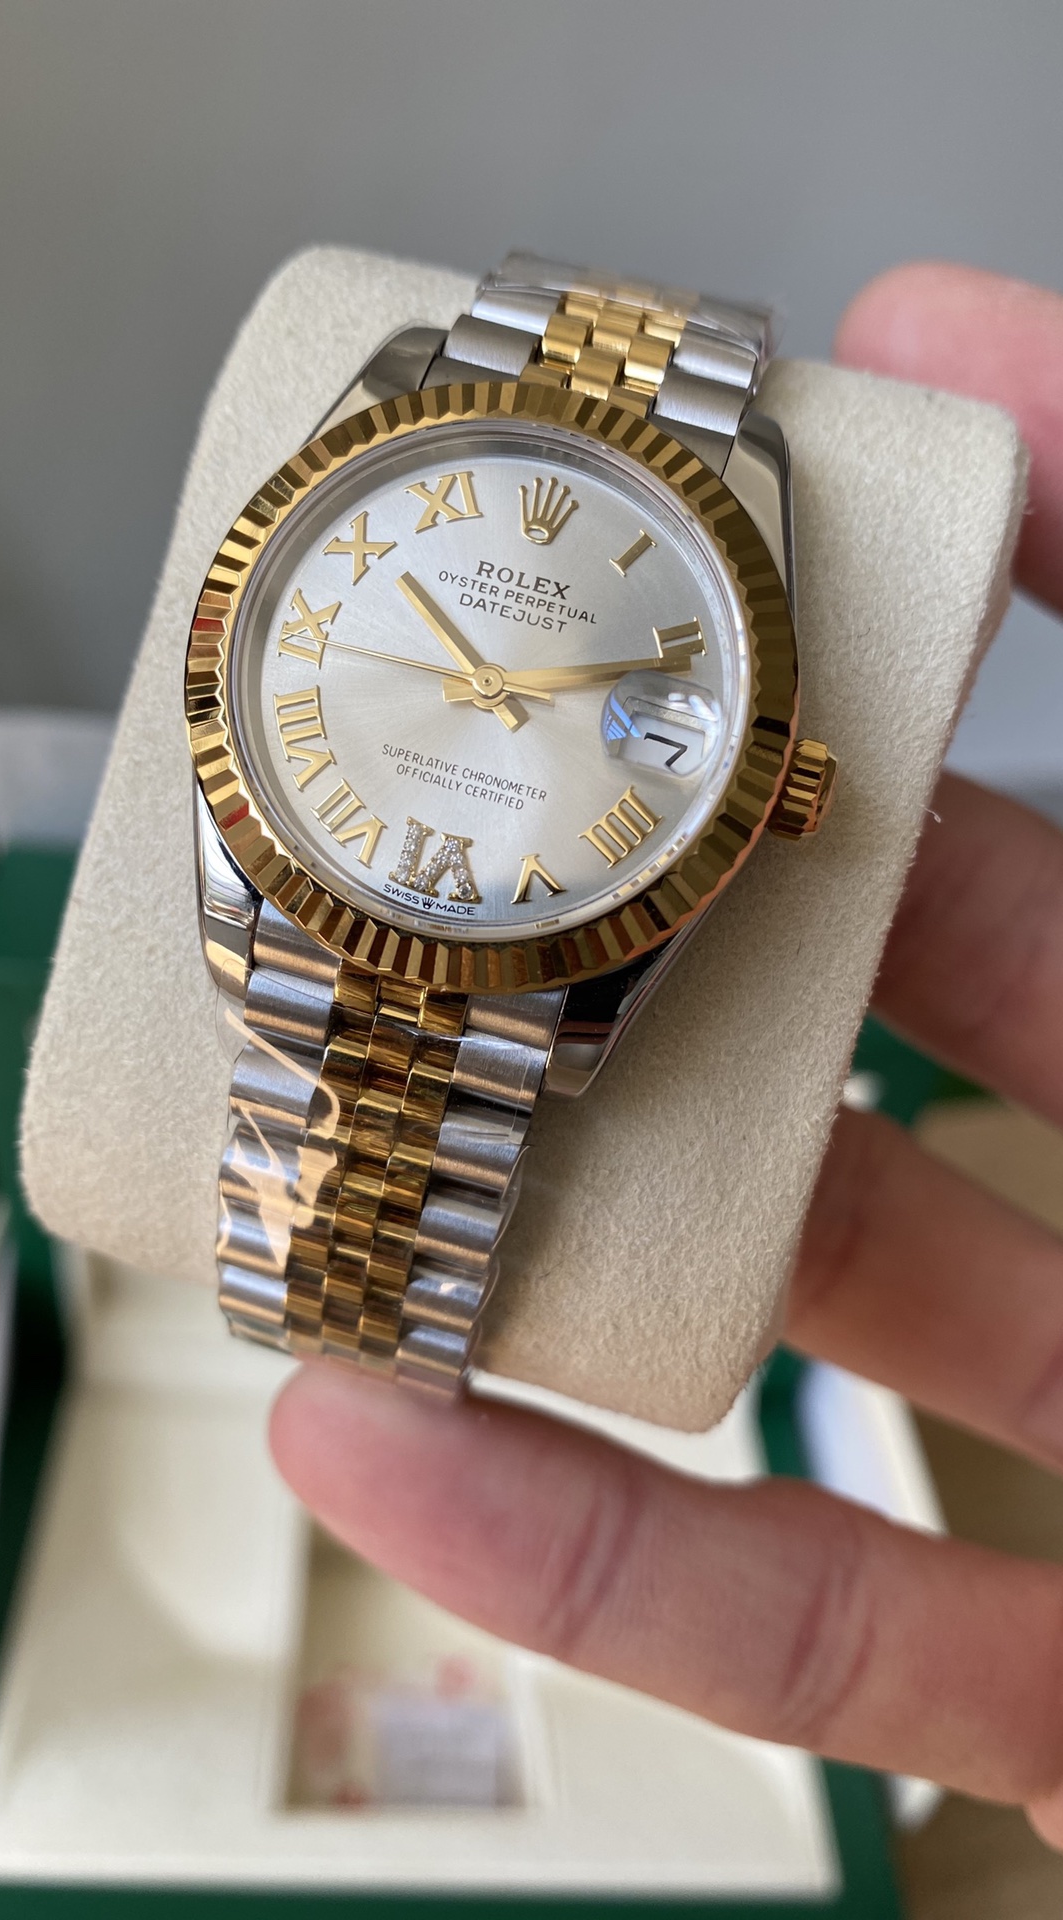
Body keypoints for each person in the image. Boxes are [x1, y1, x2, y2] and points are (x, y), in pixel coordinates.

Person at [271, 264, 1063, 1847]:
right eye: (477, 683)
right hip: (308, 891)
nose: (489, 696)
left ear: (774, 781)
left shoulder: (725, 671)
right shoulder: (354, 506)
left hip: (544, 942)